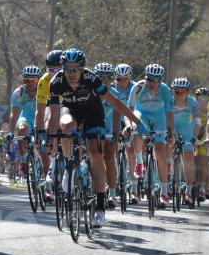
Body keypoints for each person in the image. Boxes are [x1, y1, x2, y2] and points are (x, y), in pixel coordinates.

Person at [45, 48, 146, 228]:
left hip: (93, 113)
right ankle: (69, 167)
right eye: (67, 69)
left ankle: (100, 209)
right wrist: (51, 139)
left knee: (95, 153)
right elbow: (53, 115)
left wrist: (136, 121)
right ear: (62, 69)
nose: (71, 73)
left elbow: (114, 101)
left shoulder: (91, 78)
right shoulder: (56, 82)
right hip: (70, 111)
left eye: (76, 69)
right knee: (66, 126)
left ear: (83, 69)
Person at [128, 64, 175, 208]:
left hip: (159, 117)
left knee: (160, 152)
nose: (151, 83)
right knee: (136, 129)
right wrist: (129, 126)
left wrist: (170, 132)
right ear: (145, 78)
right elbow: (129, 110)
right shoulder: (138, 87)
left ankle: (164, 192)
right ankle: (139, 162)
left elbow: (169, 113)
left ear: (160, 81)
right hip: (141, 114)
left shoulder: (165, 90)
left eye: (155, 80)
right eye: (149, 80)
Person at [34, 50, 64, 199]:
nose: (54, 73)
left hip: (67, 107)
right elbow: (39, 111)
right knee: (48, 126)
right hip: (51, 108)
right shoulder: (44, 81)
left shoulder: (69, 78)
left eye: (58, 69)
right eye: (50, 69)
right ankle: (49, 182)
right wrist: (38, 134)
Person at [93, 62, 120, 209]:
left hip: (108, 126)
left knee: (109, 155)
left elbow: (116, 119)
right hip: (92, 125)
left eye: (107, 78)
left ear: (111, 80)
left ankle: (112, 193)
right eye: (100, 77)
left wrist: (115, 136)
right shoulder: (90, 92)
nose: (104, 81)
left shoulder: (114, 95)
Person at [8, 65, 42, 178]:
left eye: (34, 80)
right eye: (28, 79)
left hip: (41, 118)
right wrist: (11, 132)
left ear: (39, 80)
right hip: (26, 119)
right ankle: (23, 161)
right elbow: (14, 114)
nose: (31, 82)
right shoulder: (18, 93)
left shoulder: (44, 91)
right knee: (21, 131)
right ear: (24, 79)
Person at [171, 78, 200, 205]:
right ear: (173, 92)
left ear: (187, 92)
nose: (180, 95)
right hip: (172, 129)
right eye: (177, 92)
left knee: (188, 158)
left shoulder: (192, 101)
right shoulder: (169, 101)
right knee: (165, 151)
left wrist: (194, 137)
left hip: (187, 131)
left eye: (183, 92)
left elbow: (197, 121)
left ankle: (188, 192)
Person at [113, 64, 139, 204]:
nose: (122, 82)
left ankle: (134, 189)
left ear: (130, 78)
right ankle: (113, 180)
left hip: (129, 119)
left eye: (125, 79)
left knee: (130, 152)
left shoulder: (135, 88)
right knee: (112, 150)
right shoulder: (112, 87)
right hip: (116, 119)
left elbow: (137, 107)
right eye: (119, 79)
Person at [193, 87, 209, 201]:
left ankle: (203, 188)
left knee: (204, 161)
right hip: (193, 137)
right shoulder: (193, 109)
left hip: (204, 138)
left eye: (206, 99)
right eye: (200, 99)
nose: (203, 101)